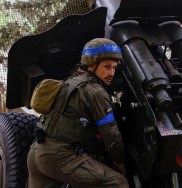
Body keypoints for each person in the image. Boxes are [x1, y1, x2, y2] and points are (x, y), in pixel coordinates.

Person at [26, 38, 128, 188]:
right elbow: (111, 135)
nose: (111, 73)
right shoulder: (96, 93)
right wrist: (120, 162)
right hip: (59, 157)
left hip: (36, 153)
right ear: (92, 65)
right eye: (107, 67)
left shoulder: (69, 82)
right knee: (118, 182)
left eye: (114, 68)